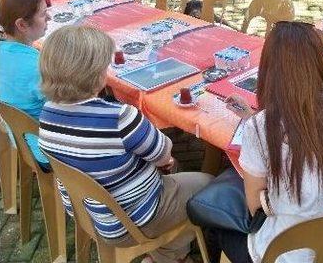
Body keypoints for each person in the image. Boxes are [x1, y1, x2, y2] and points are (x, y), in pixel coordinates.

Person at [37, 25, 213, 263]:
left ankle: (166, 249)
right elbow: (163, 154)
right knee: (208, 183)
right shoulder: (120, 117)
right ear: (96, 75)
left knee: (176, 175)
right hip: (132, 221)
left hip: (88, 213)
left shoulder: (47, 113)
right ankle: (171, 255)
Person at [207, 22, 323, 262]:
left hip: (289, 253)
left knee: (217, 229)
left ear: (269, 69)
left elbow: (255, 205)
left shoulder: (260, 128)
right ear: (318, 60)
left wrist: (256, 122)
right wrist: (253, 118)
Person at [0, 0, 50, 165]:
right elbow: (66, 108)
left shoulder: (1, 50)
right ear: (21, 25)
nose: (49, 18)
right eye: (44, 14)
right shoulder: (38, 66)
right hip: (45, 152)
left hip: (15, 140)